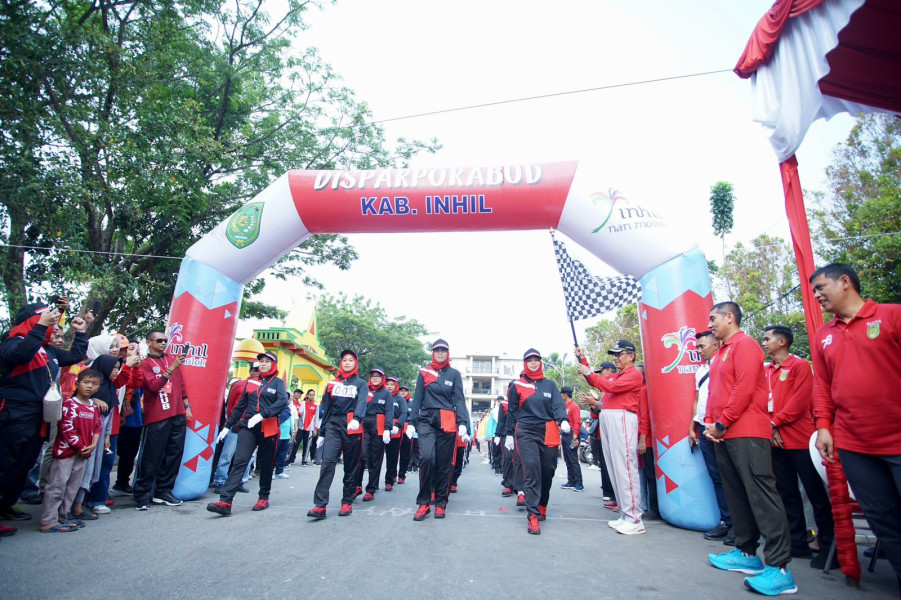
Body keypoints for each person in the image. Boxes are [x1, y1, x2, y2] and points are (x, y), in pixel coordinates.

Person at [810, 263, 901, 589]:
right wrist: (824, 426)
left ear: (845, 281)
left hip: (897, 438)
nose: (817, 295)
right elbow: (822, 385)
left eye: (821, 287)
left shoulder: (892, 316)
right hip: (853, 444)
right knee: (881, 518)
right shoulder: (824, 334)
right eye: (814, 290)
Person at [704, 302, 795, 596]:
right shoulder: (720, 352)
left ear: (730, 317)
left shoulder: (746, 346)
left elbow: (743, 390)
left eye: (713, 318)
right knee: (737, 495)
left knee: (762, 496)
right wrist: (711, 423)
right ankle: (746, 553)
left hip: (747, 432)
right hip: (724, 434)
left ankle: (779, 568)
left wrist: (722, 422)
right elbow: (714, 393)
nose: (710, 325)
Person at [0, 303, 87, 527]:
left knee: (24, 463)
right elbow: (20, 356)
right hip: (16, 412)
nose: (52, 321)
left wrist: (80, 333)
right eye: (46, 317)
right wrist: (39, 328)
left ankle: (5, 505)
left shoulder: (47, 349)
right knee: (6, 462)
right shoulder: (13, 341)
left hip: (40, 415)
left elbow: (74, 356)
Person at [762, 324, 835, 568]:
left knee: (815, 495)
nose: (764, 343)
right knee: (787, 494)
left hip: (801, 440)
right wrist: (771, 427)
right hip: (776, 441)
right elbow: (763, 401)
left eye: (767, 339)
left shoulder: (800, 366)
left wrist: (774, 423)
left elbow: (799, 402)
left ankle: (829, 547)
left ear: (782, 342)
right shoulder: (766, 370)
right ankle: (797, 543)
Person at [207, 351, 289, 515]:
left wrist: (263, 414)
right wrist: (227, 426)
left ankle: (263, 497)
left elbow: (282, 401)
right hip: (248, 427)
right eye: (261, 361)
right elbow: (240, 406)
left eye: (267, 361)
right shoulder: (250, 383)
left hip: (268, 428)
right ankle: (225, 501)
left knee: (266, 464)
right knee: (240, 461)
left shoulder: (278, 383)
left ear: (274, 364)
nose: (263, 364)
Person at [576, 341, 644, 535]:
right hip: (609, 419)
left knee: (625, 467)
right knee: (615, 467)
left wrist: (589, 372)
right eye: (614, 354)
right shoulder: (618, 375)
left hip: (623, 418)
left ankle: (634, 518)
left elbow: (607, 385)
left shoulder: (633, 374)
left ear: (631, 356)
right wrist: (583, 360)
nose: (616, 358)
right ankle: (625, 513)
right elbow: (596, 381)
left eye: (619, 354)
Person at [506, 349, 568, 534]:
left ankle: (542, 504)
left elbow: (558, 405)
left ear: (540, 362)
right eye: (529, 360)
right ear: (525, 363)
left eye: (536, 360)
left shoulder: (550, 385)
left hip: (548, 430)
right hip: (526, 431)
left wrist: (563, 419)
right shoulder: (517, 385)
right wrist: (508, 434)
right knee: (532, 468)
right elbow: (512, 411)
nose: (533, 363)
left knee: (548, 471)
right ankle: (532, 514)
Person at [409, 339, 469, 521]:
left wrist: (463, 422)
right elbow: (417, 398)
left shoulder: (454, 374)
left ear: (448, 353)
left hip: (448, 420)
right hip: (426, 419)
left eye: (443, 350)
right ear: (433, 353)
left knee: (444, 463)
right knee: (427, 457)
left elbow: (459, 399)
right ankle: (424, 502)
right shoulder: (424, 372)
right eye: (437, 350)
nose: (440, 353)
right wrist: (411, 421)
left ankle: (441, 502)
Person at [39, 369, 102, 532]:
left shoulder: (93, 407)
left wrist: (93, 445)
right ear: (77, 384)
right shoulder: (69, 404)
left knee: (72, 488)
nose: (89, 386)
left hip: (83, 454)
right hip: (66, 453)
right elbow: (67, 428)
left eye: (94, 384)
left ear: (98, 388)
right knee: (57, 486)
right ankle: (48, 520)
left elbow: (97, 427)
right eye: (86, 382)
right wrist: (81, 447)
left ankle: (62, 517)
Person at [307, 349, 368, 519]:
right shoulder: (332, 384)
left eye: (351, 360)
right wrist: (322, 432)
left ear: (356, 363)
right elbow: (327, 408)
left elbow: (362, 403)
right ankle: (320, 505)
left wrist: (357, 418)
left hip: (352, 424)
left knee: (351, 465)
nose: (347, 362)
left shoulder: (361, 384)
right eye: (344, 360)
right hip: (333, 424)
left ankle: (347, 501)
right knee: (327, 462)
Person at [134, 331, 190, 511]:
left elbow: (181, 385)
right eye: (159, 340)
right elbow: (153, 386)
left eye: (165, 340)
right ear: (149, 342)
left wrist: (187, 407)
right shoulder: (145, 364)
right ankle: (142, 494)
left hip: (178, 414)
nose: (163, 343)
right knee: (152, 456)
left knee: (174, 454)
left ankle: (163, 491)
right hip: (157, 416)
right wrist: (171, 368)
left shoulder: (171, 359)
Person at [687, 331, 733, 544]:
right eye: (697, 347)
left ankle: (741, 525)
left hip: (723, 428)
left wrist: (721, 424)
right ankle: (727, 521)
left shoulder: (725, 364)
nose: (698, 350)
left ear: (716, 345)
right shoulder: (700, 371)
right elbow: (697, 400)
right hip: (704, 428)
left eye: (702, 346)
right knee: (716, 477)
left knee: (731, 477)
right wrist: (692, 427)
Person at [213, 363, 258, 494]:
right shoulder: (239, 385)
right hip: (236, 424)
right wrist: (231, 422)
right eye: (255, 370)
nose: (257, 373)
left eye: (259, 371)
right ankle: (220, 481)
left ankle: (241, 481)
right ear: (250, 371)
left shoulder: (263, 387)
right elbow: (230, 404)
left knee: (248, 457)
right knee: (227, 455)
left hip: (251, 426)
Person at [581, 361, 616, 505]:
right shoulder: (605, 391)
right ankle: (609, 493)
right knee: (605, 466)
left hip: (615, 433)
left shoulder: (616, 384)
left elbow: (612, 406)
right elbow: (596, 414)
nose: (600, 375)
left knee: (614, 467)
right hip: (602, 434)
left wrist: (595, 403)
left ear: (609, 371)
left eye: (601, 372)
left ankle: (616, 496)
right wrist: (593, 405)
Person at [361, 367, 392, 501]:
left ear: (382, 378)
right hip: (364, 425)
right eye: (373, 376)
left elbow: (389, 411)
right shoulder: (364, 390)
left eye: (378, 376)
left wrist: (387, 429)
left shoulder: (386, 393)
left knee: (375, 459)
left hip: (378, 426)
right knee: (361, 455)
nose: (375, 378)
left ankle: (371, 489)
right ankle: (356, 485)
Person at [636, 365, 660, 520]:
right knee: (644, 475)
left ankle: (654, 508)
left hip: (647, 441)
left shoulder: (644, 390)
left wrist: (643, 440)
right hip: (643, 438)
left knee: (650, 476)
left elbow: (645, 416)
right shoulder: (640, 390)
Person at [383, 376, 407, 490]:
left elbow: (403, 413)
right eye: (387, 384)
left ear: (395, 386)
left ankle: (390, 479)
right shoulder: (381, 396)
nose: (389, 386)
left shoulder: (400, 399)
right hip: (381, 427)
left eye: (392, 385)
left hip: (394, 429)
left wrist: (397, 425)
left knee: (392, 455)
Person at [559, 386, 584, 492]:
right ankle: (571, 481)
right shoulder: (564, 407)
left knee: (573, 459)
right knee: (567, 459)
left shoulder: (574, 406)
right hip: (565, 434)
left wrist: (575, 437)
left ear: (565, 394)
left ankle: (579, 483)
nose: (560, 396)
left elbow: (577, 422)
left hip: (572, 434)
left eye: (561, 394)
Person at [397, 384, 416, 483]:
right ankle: (391, 475)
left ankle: (402, 475)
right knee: (393, 454)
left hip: (407, 430)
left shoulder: (412, 403)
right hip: (396, 429)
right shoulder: (395, 401)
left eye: (405, 391)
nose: (403, 392)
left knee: (405, 454)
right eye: (401, 390)